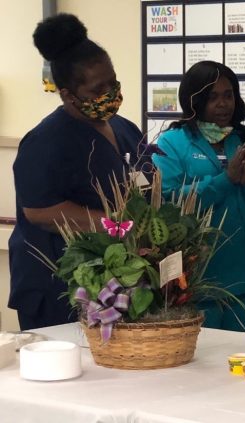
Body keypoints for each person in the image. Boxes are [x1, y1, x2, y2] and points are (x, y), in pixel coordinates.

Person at [9, 14, 147, 330]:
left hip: (117, 282)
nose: (111, 92)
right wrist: (117, 226)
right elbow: (38, 211)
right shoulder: (45, 141)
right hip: (58, 284)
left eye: (113, 82)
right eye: (99, 88)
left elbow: (144, 183)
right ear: (69, 94)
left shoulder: (125, 129)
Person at [152, 61, 245, 332]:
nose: (223, 104)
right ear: (193, 100)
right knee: (202, 363)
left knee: (244, 362)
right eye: (212, 97)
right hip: (199, 278)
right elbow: (169, 205)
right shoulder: (172, 142)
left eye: (228, 95)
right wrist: (224, 181)